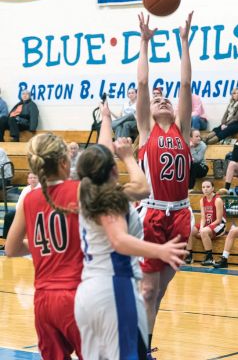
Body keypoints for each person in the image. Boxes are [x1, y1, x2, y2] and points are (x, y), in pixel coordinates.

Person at [74, 102, 188, 360]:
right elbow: (143, 191)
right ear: (114, 170)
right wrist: (128, 156)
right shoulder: (116, 196)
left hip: (86, 290)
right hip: (115, 287)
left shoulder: (81, 192)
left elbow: (101, 152)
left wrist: (106, 118)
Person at [135, 11, 193, 347]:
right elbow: (143, 84)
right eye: (157, 100)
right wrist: (145, 43)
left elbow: (185, 84)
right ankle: (142, 348)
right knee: (149, 288)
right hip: (153, 213)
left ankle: (143, 334)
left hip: (182, 214)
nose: (162, 99)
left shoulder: (184, 130)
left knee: (160, 288)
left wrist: (183, 41)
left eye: (165, 98)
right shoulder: (146, 131)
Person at [5, 133, 83, 360]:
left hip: (42, 301)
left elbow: (11, 248)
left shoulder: (29, 198)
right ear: (63, 162)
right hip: (75, 294)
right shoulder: (78, 190)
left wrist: (40, 245)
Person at [185, 180, 226, 265]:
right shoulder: (202, 200)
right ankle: (189, 255)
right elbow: (203, 218)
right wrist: (201, 228)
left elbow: (218, 220)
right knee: (189, 230)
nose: (205, 189)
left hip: (219, 225)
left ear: (213, 188)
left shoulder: (217, 200)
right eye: (203, 187)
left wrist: (204, 230)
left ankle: (209, 258)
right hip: (208, 223)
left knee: (203, 232)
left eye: (208, 187)